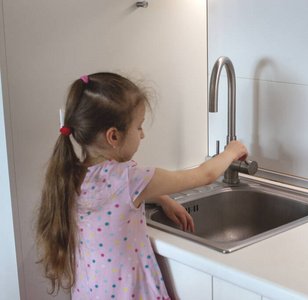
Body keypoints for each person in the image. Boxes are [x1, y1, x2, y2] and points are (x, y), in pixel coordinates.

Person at [35, 72, 248, 300]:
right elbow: (204, 175)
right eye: (139, 127)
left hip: (91, 292)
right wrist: (231, 152)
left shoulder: (70, 174)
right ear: (113, 137)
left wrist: (163, 198)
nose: (143, 135)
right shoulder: (129, 179)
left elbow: (116, 199)